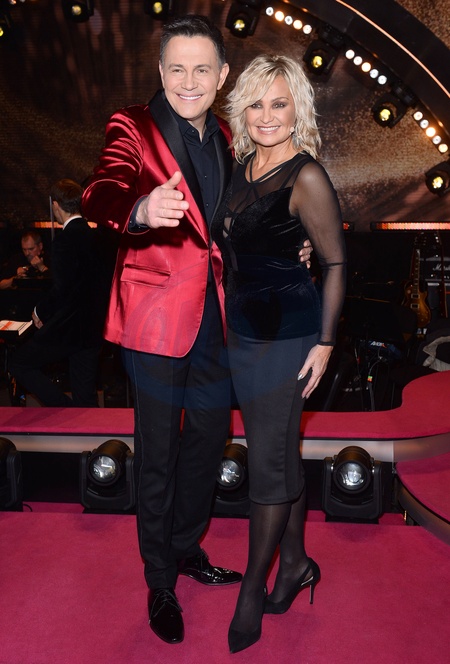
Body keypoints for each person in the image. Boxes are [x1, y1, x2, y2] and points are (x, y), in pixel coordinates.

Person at [82, 14, 313, 647]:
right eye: (177, 68)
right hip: (155, 319)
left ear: (222, 75)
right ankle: (159, 578)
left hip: (218, 318)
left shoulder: (230, 134)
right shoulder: (133, 125)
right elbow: (98, 192)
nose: (189, 81)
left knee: (209, 443)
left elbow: (244, 219)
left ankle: (185, 547)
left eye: (202, 69)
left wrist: (290, 246)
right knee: (157, 451)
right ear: (161, 72)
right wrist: (139, 207)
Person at [211, 54, 347, 653]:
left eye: (279, 104)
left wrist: (326, 342)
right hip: (243, 334)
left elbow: (336, 262)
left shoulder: (306, 176)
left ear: (298, 110)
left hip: (288, 339)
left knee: (267, 463)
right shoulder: (241, 167)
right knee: (279, 452)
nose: (267, 116)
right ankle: (294, 564)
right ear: (243, 110)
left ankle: (252, 590)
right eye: (256, 104)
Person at [9, 179, 107, 407]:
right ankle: (82, 422)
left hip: (68, 328)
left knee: (19, 364)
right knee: (85, 396)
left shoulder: (64, 240)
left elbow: (63, 288)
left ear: (55, 205)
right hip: (94, 327)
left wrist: (39, 311)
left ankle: (64, 408)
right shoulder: (96, 237)